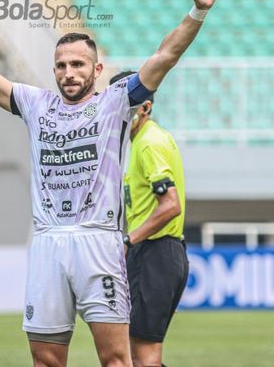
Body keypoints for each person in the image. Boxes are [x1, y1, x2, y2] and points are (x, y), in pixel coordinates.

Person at [0, 0, 227, 367]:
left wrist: (197, 11)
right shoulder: (36, 105)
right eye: (61, 66)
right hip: (49, 242)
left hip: (99, 242)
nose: (69, 72)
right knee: (46, 361)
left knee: (116, 359)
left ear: (97, 69)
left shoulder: (116, 103)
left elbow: (164, 56)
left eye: (78, 64)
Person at [109, 71, 187, 367]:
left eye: (127, 102)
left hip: (155, 253)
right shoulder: (140, 141)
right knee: (132, 353)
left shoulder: (150, 142)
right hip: (154, 255)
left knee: (144, 357)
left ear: (145, 107)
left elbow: (170, 205)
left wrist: (130, 239)